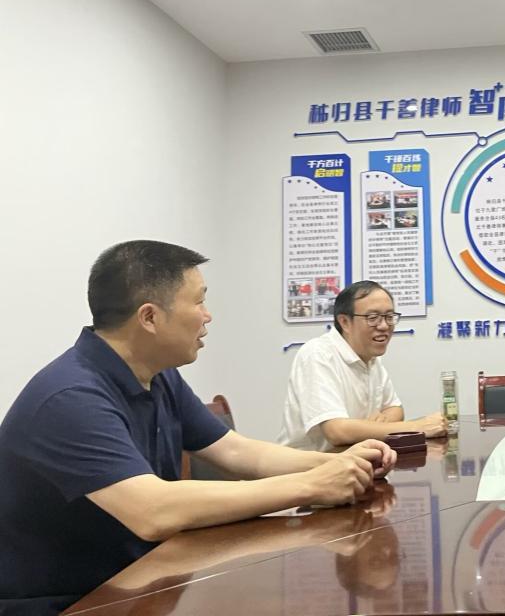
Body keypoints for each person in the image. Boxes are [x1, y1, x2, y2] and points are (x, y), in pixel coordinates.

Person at [0, 241, 396, 613]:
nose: (208, 316)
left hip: (144, 581)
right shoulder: (70, 396)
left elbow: (237, 452)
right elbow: (153, 511)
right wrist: (312, 485)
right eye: (199, 301)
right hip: (73, 602)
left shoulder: (159, 376)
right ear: (149, 317)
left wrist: (343, 463)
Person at [278, 280, 446, 451]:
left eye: (389, 317)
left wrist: (371, 427)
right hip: (311, 465)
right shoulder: (318, 354)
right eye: (372, 318)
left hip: (355, 460)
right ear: (344, 322)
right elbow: (337, 431)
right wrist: (416, 427)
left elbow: (395, 409)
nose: (384, 326)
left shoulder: (370, 358)